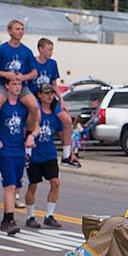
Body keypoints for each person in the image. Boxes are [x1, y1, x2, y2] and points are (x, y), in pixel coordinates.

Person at [0, 76, 35, 235]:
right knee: (9, 185)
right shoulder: (0, 105)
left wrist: (31, 135)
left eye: (19, 84)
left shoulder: (24, 107)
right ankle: (10, 219)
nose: (17, 87)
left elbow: (34, 125)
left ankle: (5, 218)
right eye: (14, 84)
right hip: (5, 148)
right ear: (7, 86)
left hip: (19, 149)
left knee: (16, 185)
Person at [23, 83, 68, 229]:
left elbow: (63, 134)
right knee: (33, 184)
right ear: (40, 95)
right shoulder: (34, 112)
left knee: (55, 182)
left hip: (49, 153)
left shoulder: (55, 115)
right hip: (34, 153)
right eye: (46, 93)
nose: (49, 96)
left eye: (51, 94)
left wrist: (70, 151)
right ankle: (30, 216)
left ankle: (49, 215)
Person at [0, 20, 40, 135]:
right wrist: (6, 75)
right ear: (10, 32)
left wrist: (23, 77)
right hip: (3, 84)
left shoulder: (27, 51)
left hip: (21, 85)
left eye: (22, 29)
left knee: (34, 106)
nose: (20, 32)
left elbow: (34, 73)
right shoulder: (1, 49)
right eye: (17, 29)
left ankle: (29, 132)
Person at [33, 38, 80, 167]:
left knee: (67, 121)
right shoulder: (32, 62)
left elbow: (54, 84)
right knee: (36, 118)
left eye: (52, 49)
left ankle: (66, 155)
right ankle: (28, 152)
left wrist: (61, 101)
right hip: (36, 96)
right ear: (41, 49)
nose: (51, 52)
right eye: (49, 49)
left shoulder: (52, 64)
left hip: (50, 95)